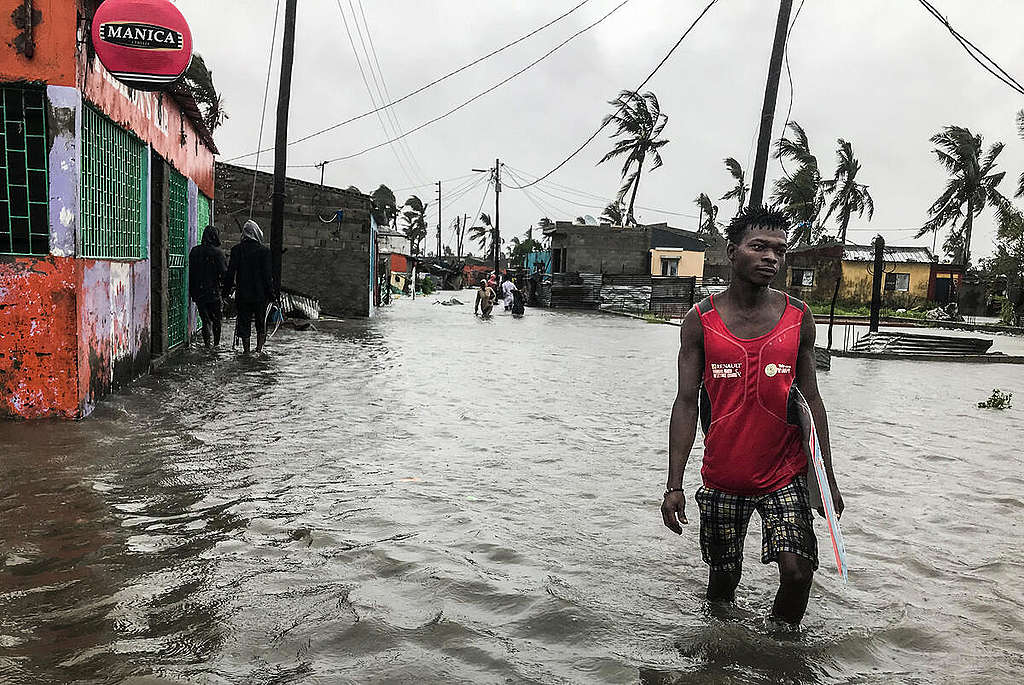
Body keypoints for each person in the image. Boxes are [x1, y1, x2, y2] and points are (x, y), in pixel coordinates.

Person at [660, 205, 844, 627]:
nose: (771, 258)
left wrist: (827, 478)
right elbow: (686, 403)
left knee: (799, 573)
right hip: (725, 473)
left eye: (779, 251)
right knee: (723, 583)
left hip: (785, 472)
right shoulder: (700, 321)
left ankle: (780, 654)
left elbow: (812, 400)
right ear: (732, 252)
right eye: (759, 247)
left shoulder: (799, 317)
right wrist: (673, 485)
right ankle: (722, 656)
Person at [223, 220, 274, 353]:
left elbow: (230, 273)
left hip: (243, 295)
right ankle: (259, 350)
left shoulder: (236, 250)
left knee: (243, 323)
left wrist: (225, 294)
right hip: (260, 295)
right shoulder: (264, 251)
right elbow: (267, 277)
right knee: (260, 323)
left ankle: (246, 352)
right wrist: (272, 295)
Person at [188, 225, 227, 349]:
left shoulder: (194, 251)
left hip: (198, 292)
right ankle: (216, 345)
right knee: (216, 320)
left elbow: (192, 273)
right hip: (213, 292)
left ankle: (207, 345)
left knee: (205, 320)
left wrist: (193, 292)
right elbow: (224, 273)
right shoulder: (218, 253)